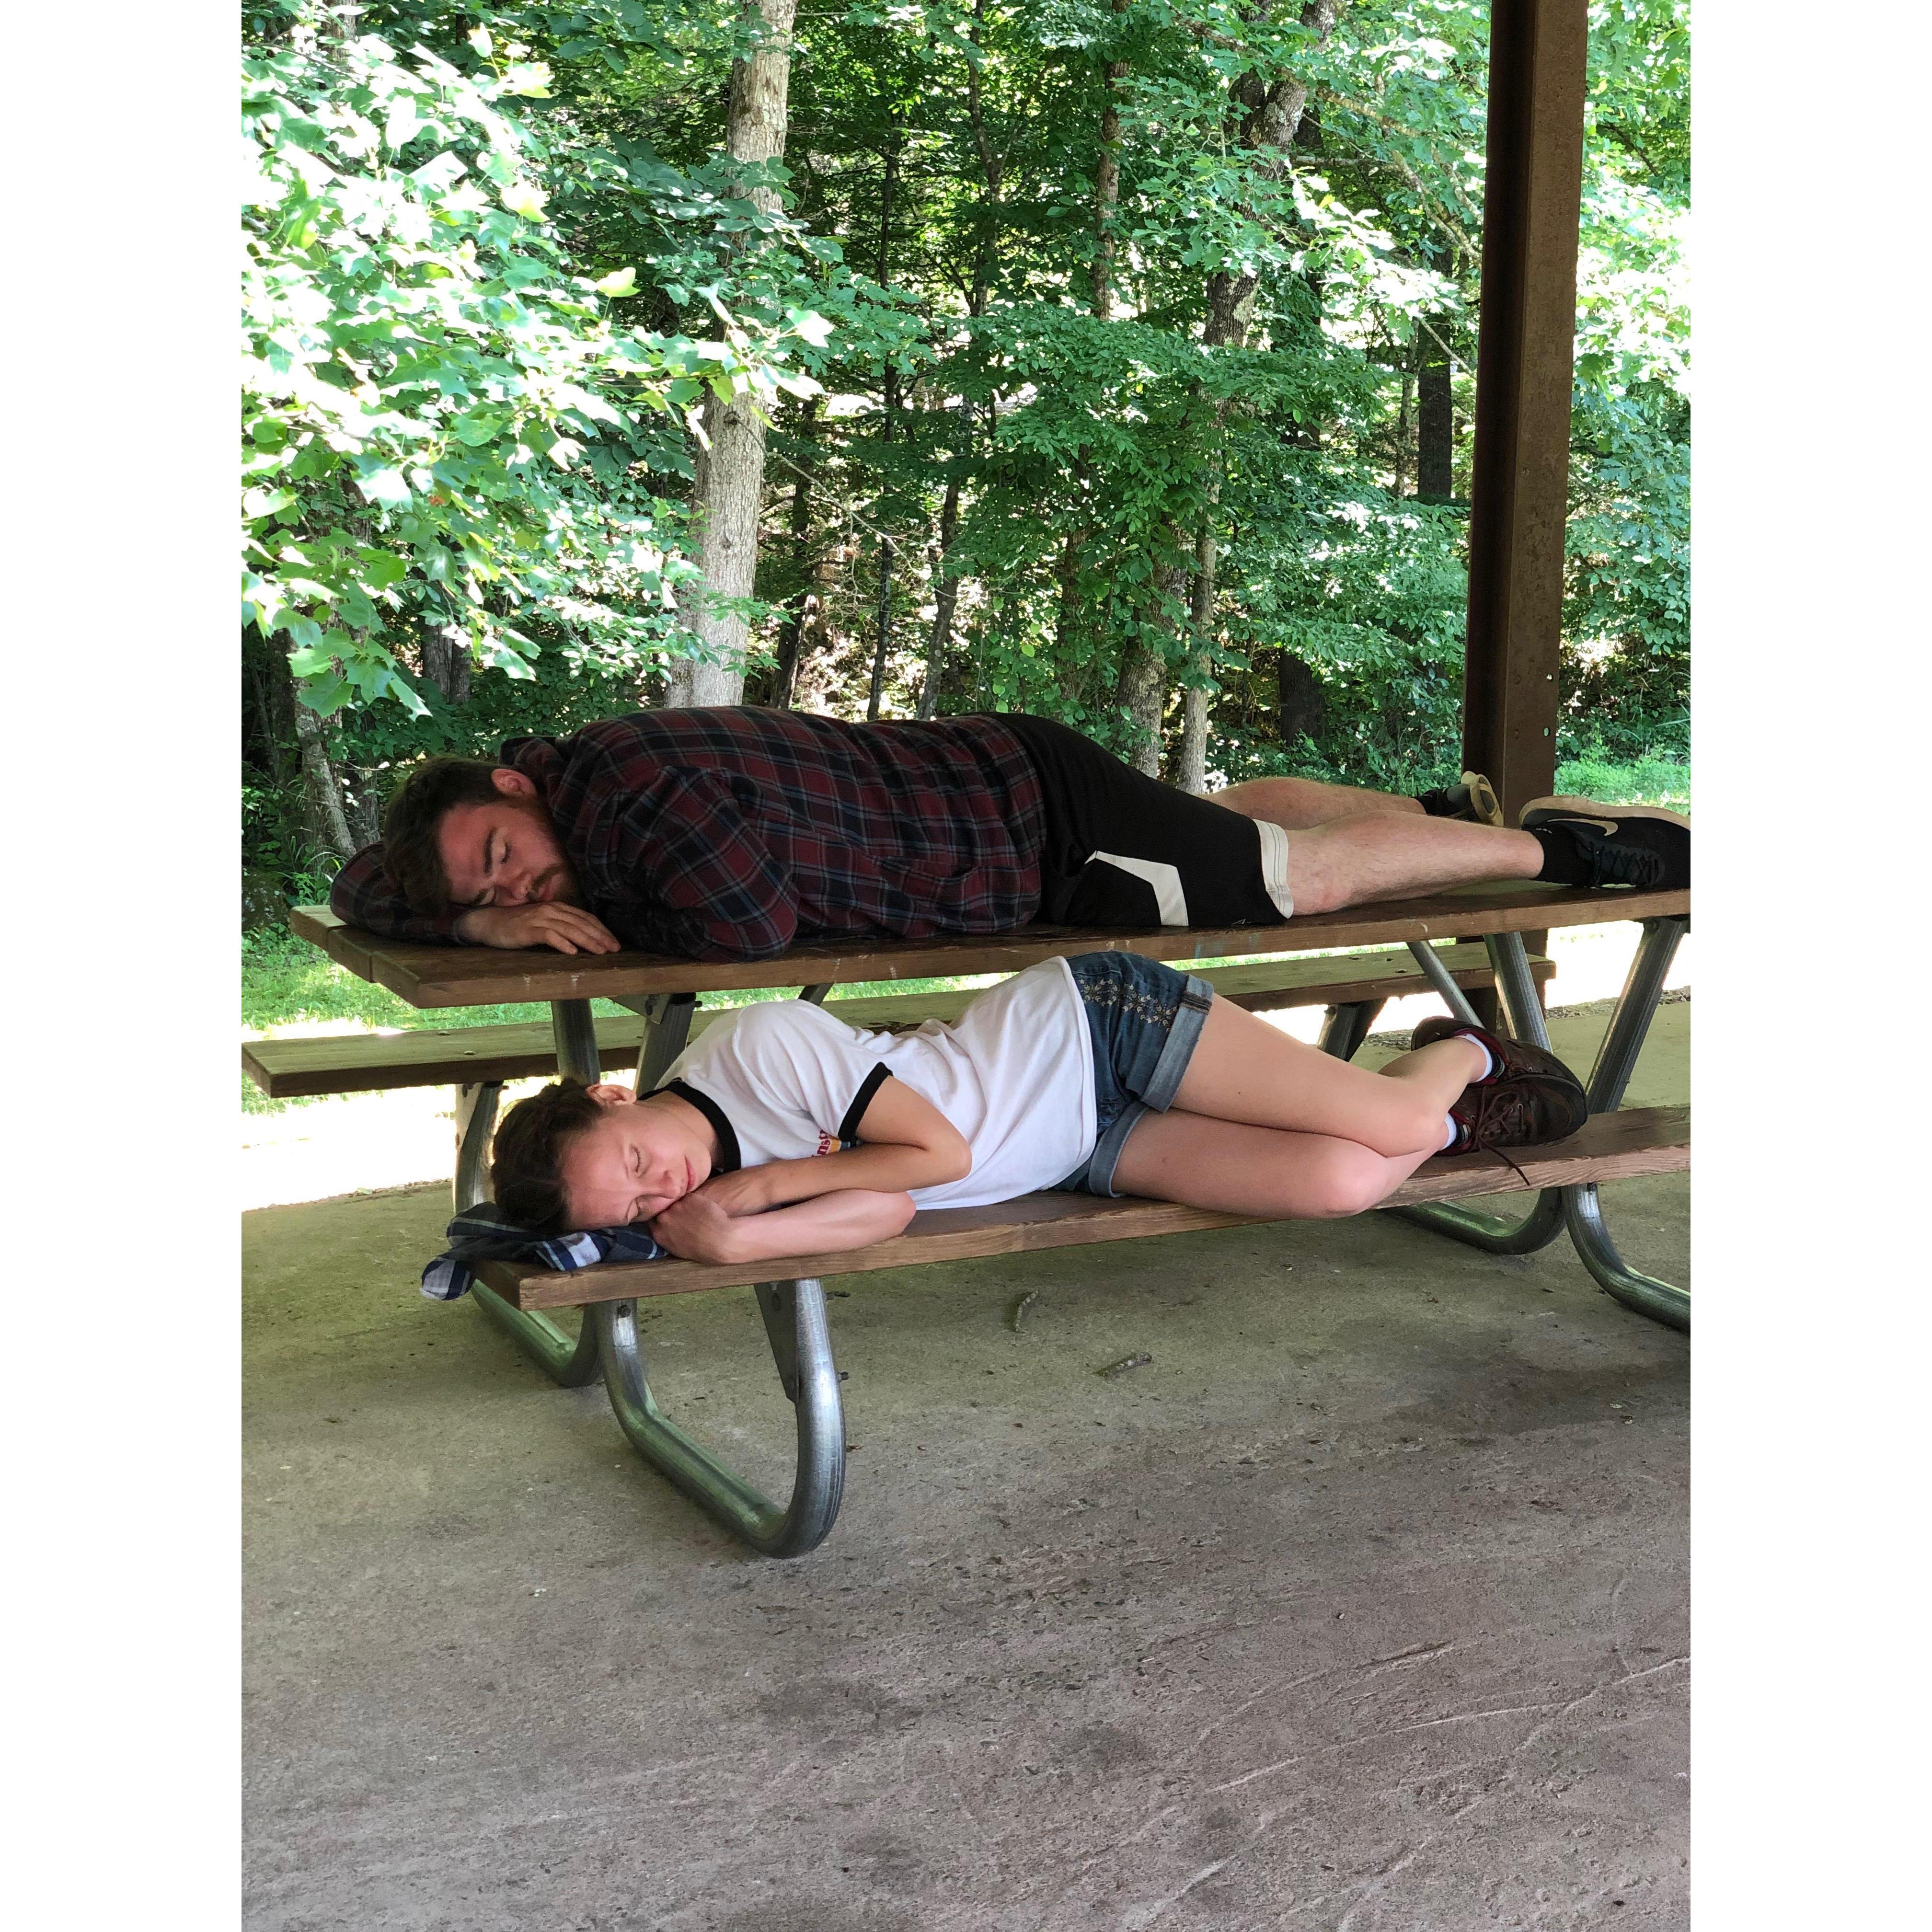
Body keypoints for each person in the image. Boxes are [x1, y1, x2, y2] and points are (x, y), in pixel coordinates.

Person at [330, 707, 1689, 963]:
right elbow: (359, 883)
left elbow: (746, 934)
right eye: (486, 889)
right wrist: (482, 926)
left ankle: (1568, 851)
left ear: (512, 787)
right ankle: (1439, 823)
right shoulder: (585, 771)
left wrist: (563, 919)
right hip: (1009, 787)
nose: (519, 881)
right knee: (1229, 822)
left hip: (1039, 844)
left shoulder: (628, 799)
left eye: (501, 856)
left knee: (1291, 884)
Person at [484, 951, 1591, 1261]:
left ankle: (1458, 1055)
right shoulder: (716, 1208)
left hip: (1089, 1029)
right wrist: (734, 1242)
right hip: (1078, 1146)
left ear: (613, 1096)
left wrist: (768, 1188)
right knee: (1343, 1179)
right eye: (635, 1212)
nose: (664, 1191)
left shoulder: (754, 1048)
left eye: (634, 1162)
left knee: (1394, 1132)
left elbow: (937, 1155)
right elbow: (887, 1210)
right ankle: (1455, 1110)